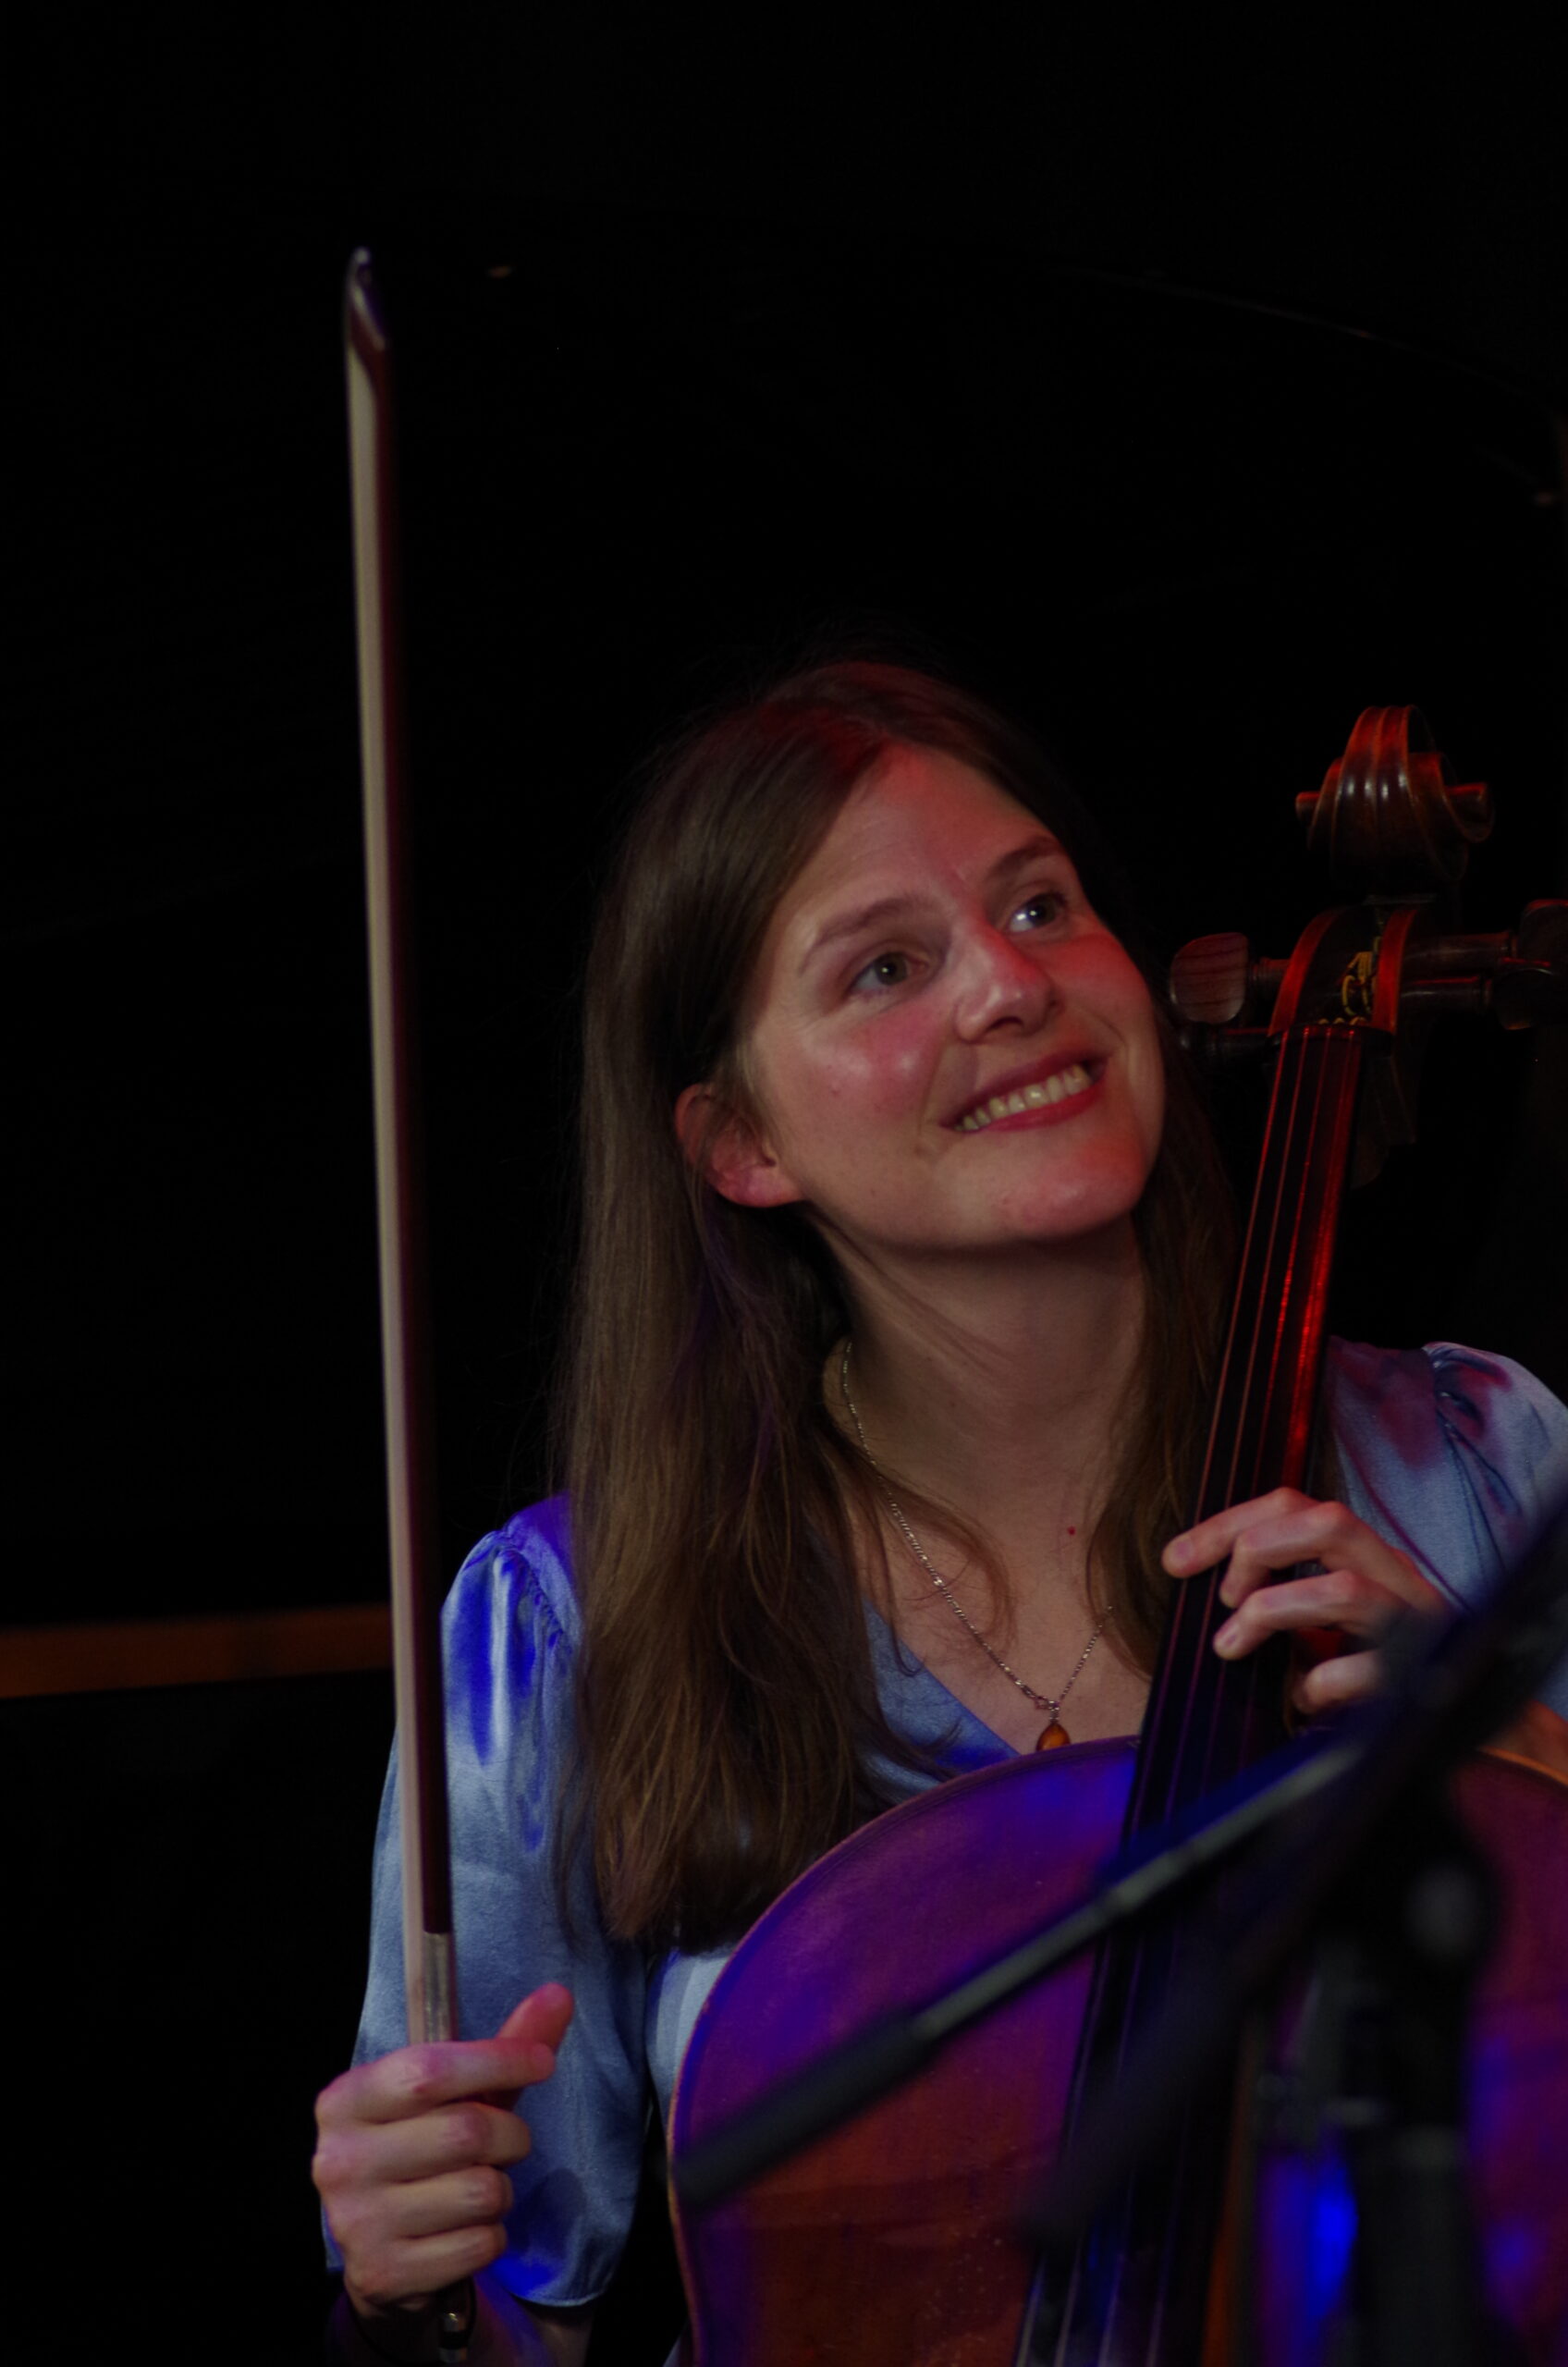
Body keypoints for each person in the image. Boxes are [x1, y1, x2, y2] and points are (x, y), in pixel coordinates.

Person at [312, 663, 1568, 2365]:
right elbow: (516, 2321)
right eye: (886, 967)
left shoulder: (1478, 1467)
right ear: (741, 1143)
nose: (1011, 984)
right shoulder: (568, 1630)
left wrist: (1532, 1771)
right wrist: (409, 2285)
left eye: (1041, 905)